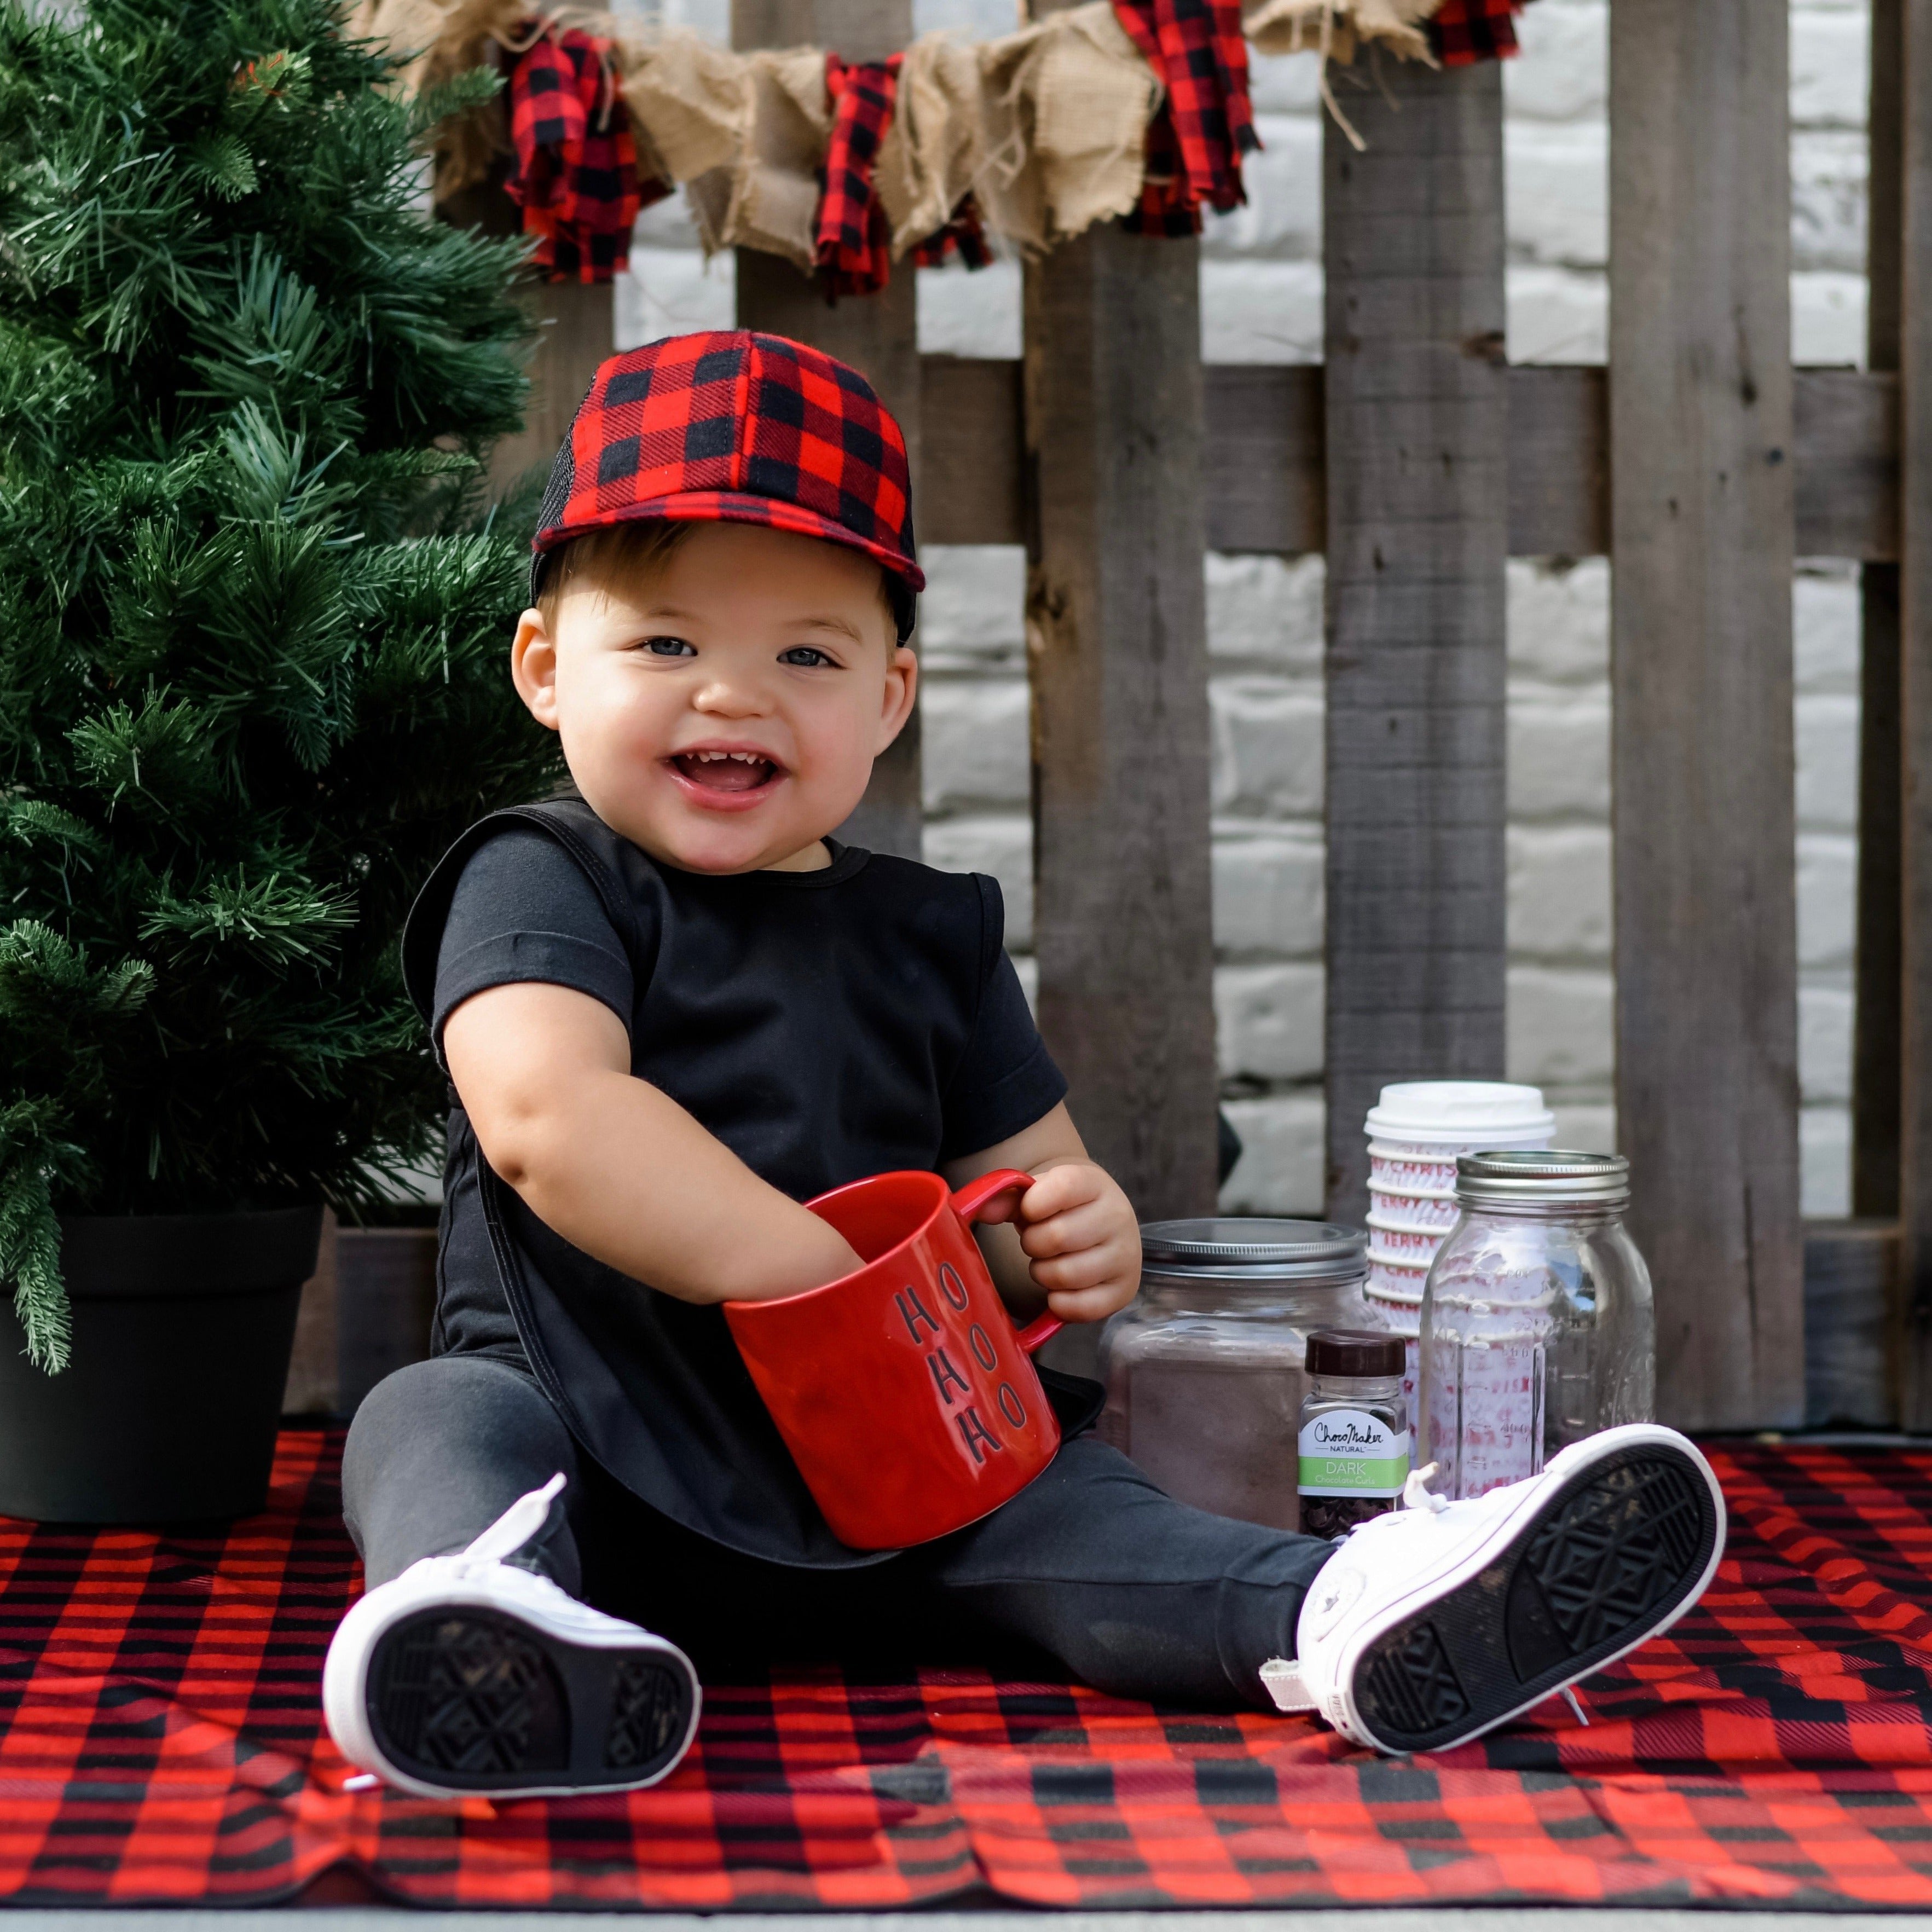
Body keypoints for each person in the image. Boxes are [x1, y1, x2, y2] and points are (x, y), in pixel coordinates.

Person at [322, 331, 1726, 1800]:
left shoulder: (929, 935)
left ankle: (1343, 1610)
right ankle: (486, 1614)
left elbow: (1021, 1211)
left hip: (900, 1479)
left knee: (1089, 1504)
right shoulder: (543, 877)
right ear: (547, 669)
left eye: (805, 652)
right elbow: (552, 1118)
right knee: (435, 1416)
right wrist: (828, 1277)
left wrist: (1068, 1237)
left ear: (888, 694)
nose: (731, 695)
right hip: (596, 1461)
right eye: (666, 643)